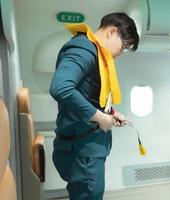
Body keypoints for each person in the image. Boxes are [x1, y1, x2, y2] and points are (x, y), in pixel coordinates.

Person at [49, 13, 139, 200]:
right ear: (112, 32)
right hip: (83, 152)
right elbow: (60, 87)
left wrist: (111, 113)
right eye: (123, 47)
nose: (121, 53)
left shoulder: (95, 52)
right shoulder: (83, 49)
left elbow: (89, 95)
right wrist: (100, 118)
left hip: (85, 149)